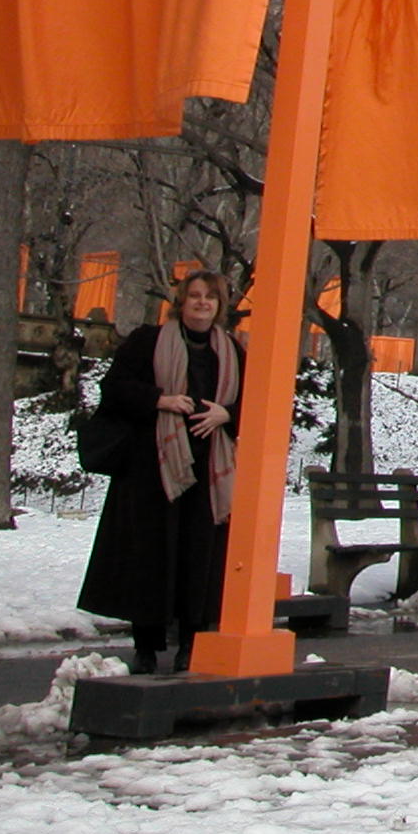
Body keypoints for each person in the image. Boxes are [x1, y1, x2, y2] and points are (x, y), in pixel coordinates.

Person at [79, 271, 243, 674]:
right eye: (195, 296)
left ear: (220, 306)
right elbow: (114, 390)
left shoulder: (234, 352)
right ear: (181, 302)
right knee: (150, 556)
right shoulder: (147, 342)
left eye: (210, 298)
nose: (202, 303)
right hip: (152, 470)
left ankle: (191, 641)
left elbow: (259, 406)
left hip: (208, 471)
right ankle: (146, 647)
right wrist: (160, 400)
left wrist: (227, 414)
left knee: (199, 557)